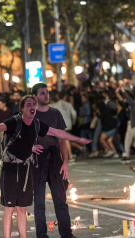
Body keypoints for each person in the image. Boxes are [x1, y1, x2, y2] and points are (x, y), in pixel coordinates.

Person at [0, 95, 90, 238]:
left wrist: (77, 139)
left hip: (26, 169)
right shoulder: (14, 122)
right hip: (10, 169)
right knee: (10, 208)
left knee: (22, 208)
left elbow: (57, 132)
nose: (32, 107)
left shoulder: (37, 124)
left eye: (33, 105)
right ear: (22, 108)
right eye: (28, 104)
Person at [32, 83, 86, 238]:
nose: (46, 96)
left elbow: (63, 140)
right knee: (40, 203)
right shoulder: (31, 115)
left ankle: (66, 234)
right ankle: (42, 235)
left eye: (47, 93)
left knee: (61, 200)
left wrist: (65, 161)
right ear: (34, 96)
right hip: (37, 160)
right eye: (42, 93)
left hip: (55, 158)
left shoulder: (56, 113)